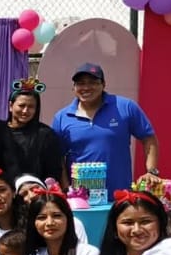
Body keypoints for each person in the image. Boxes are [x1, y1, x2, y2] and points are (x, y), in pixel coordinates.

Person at [50, 62, 158, 191]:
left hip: (119, 194)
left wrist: (151, 171)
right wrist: (66, 189)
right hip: (79, 197)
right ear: (74, 87)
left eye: (92, 82)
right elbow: (58, 157)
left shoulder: (125, 107)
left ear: (103, 84)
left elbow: (148, 139)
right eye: (81, 83)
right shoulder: (62, 117)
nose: (86, 87)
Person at [1, 77, 63, 184]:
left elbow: (53, 172)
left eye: (31, 107)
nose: (25, 111)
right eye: (21, 106)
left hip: (36, 190)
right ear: (11, 106)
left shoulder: (45, 134)